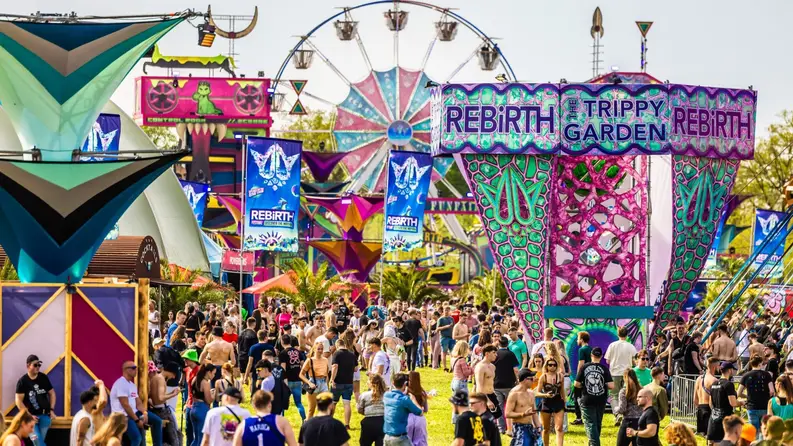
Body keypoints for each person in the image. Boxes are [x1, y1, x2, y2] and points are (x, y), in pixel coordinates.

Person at [109, 361, 163, 446]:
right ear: (126, 370)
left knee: (158, 421)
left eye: (136, 368)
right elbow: (125, 405)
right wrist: (137, 420)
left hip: (134, 413)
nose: (136, 370)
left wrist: (144, 412)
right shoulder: (120, 383)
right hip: (123, 416)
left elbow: (138, 403)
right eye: (133, 368)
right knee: (137, 438)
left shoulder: (132, 385)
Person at [575, 346, 614, 446]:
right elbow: (611, 385)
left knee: (590, 424)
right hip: (601, 399)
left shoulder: (584, 367)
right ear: (601, 356)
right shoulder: (604, 368)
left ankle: (594, 444)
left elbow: (576, 384)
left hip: (587, 398)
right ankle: (594, 443)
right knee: (597, 424)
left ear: (591, 355)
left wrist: (584, 384)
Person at [15, 355, 56, 446]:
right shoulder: (23, 381)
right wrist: (29, 415)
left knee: (39, 442)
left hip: (45, 417)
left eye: (39, 365)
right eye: (35, 365)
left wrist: (52, 410)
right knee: (36, 440)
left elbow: (52, 393)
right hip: (30, 419)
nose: (38, 367)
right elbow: (18, 401)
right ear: (28, 366)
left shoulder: (43, 378)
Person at [233, 390, 297, 446]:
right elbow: (293, 444)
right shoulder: (281, 422)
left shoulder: (244, 425)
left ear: (253, 405)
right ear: (270, 404)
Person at [605, 327, 637, 425]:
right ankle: (624, 415)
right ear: (627, 335)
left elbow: (607, 360)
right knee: (627, 395)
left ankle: (617, 414)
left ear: (618, 334)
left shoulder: (612, 345)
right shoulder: (631, 346)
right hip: (627, 374)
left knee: (614, 396)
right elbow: (634, 361)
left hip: (614, 373)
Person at [738, 355, 774, 438]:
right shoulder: (766, 374)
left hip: (752, 406)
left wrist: (747, 396)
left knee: (754, 431)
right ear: (760, 363)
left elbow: (739, 393)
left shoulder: (746, 376)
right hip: (765, 406)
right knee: (764, 429)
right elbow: (772, 391)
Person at [708, 362, 744, 445]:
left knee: (712, 443)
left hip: (713, 418)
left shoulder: (713, 384)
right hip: (725, 419)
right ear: (730, 370)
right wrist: (742, 402)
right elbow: (733, 403)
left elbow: (710, 403)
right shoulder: (728, 384)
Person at [383, 373, 423, 446]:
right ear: (405, 384)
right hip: (400, 438)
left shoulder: (386, 395)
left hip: (387, 436)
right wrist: (414, 400)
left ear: (393, 383)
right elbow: (420, 413)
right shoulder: (405, 400)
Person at [505, 369, 541, 446]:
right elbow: (507, 413)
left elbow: (534, 413)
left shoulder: (531, 393)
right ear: (525, 380)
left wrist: (538, 427)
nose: (533, 380)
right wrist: (523, 414)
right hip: (519, 428)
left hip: (530, 427)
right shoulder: (514, 394)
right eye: (531, 379)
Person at [148, 362, 180, 446]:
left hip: (155, 410)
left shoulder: (154, 378)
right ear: (172, 372)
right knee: (173, 440)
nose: (173, 377)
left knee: (159, 439)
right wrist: (173, 394)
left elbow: (152, 397)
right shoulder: (161, 379)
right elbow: (160, 398)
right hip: (163, 411)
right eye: (174, 375)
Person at [491, 338, 518, 434]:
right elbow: (516, 369)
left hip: (496, 384)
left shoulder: (495, 354)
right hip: (509, 384)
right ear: (508, 343)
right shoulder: (511, 354)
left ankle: (501, 428)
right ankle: (511, 428)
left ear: (499, 343)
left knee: (499, 407)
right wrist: (518, 381)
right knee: (510, 407)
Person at [537, 356, 565, 446]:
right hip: (546, 402)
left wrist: (564, 402)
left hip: (558, 401)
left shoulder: (560, 376)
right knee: (545, 428)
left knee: (559, 427)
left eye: (554, 365)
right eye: (550, 365)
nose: (552, 367)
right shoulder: (543, 377)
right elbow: (537, 392)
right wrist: (545, 395)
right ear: (546, 366)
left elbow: (562, 390)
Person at [278, 335, 307, 422]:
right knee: (298, 403)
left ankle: (281, 421)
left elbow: (283, 369)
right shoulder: (298, 352)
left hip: (287, 381)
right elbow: (303, 365)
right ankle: (304, 420)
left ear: (282, 342)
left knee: (282, 403)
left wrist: (284, 382)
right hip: (298, 380)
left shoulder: (283, 353)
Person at [475, 345, 504, 427]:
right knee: (483, 422)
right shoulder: (480, 367)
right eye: (494, 353)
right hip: (483, 397)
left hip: (492, 395)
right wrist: (487, 400)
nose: (496, 355)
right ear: (487, 354)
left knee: (494, 420)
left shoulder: (492, 366)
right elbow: (479, 386)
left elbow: (490, 382)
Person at [330, 339, 357, 429]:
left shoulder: (336, 354)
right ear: (344, 345)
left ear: (337, 345)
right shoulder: (352, 355)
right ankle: (347, 424)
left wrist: (332, 379)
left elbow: (335, 366)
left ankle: (329, 421)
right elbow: (356, 368)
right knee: (347, 404)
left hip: (337, 382)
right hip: (349, 382)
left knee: (333, 403)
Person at [70, 381, 107, 446]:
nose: (97, 403)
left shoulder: (79, 414)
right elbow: (79, 439)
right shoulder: (86, 418)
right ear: (89, 402)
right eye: (95, 400)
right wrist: (101, 385)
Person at [299, 342, 330, 419]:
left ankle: (323, 427)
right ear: (314, 349)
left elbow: (326, 374)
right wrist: (309, 383)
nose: (320, 350)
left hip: (323, 384)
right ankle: (307, 427)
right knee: (311, 410)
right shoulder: (310, 360)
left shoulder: (325, 360)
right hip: (313, 383)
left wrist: (327, 385)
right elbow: (301, 374)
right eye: (318, 349)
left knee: (325, 409)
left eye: (322, 349)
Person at [187, 364, 215, 446]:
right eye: (213, 373)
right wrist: (213, 394)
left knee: (196, 439)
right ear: (208, 372)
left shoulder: (195, 379)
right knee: (202, 439)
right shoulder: (205, 383)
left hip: (193, 408)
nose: (214, 375)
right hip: (202, 409)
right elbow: (209, 400)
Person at [614, 370, 642, 446]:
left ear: (624, 378)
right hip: (640, 422)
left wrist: (615, 409)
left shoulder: (623, 392)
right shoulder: (641, 390)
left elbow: (622, 409)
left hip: (628, 423)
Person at [243, 331, 274, 397]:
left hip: (257, 372)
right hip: (268, 372)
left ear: (258, 337)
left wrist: (246, 376)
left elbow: (250, 363)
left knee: (255, 392)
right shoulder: (270, 347)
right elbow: (273, 361)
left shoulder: (253, 348)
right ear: (266, 337)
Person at [358, 374, 386, 446]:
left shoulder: (364, 395)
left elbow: (359, 409)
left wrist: (366, 413)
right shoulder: (386, 395)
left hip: (368, 422)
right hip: (382, 421)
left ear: (371, 383)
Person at [694, 358, 719, 436]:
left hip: (700, 408)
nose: (720, 367)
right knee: (710, 436)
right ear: (714, 367)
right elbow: (713, 399)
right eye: (719, 365)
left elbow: (695, 398)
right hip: (709, 408)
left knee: (702, 435)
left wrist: (697, 408)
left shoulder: (699, 378)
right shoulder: (714, 380)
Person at [572, 331, 592, 425]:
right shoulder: (591, 349)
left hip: (583, 376)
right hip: (590, 376)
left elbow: (581, 363)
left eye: (578, 338)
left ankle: (579, 417)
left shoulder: (582, 350)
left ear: (582, 340)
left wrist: (578, 376)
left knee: (577, 396)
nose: (577, 340)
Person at [406, 372, 429, 446]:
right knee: (420, 442)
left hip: (407, 417)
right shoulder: (422, 392)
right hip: (420, 418)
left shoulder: (405, 392)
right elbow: (426, 409)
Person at [438, 307, 455, 372]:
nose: (447, 311)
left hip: (451, 338)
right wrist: (446, 327)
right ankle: (445, 367)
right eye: (445, 310)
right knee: (444, 352)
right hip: (444, 338)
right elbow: (437, 329)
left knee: (453, 353)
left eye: (448, 310)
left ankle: (452, 367)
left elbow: (454, 327)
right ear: (443, 311)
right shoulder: (441, 319)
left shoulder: (451, 319)